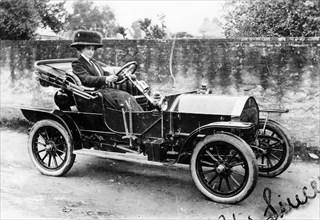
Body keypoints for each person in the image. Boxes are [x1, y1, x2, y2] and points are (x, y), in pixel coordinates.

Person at [70, 30, 143, 112]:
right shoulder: (78, 63)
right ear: (81, 49)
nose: (91, 52)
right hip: (95, 94)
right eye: (88, 49)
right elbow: (87, 79)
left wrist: (124, 76)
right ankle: (137, 119)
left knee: (129, 96)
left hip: (105, 91)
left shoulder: (94, 62)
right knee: (124, 97)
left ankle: (141, 116)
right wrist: (106, 79)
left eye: (93, 49)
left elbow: (105, 74)